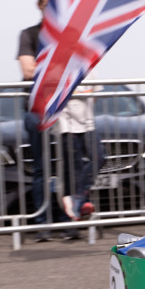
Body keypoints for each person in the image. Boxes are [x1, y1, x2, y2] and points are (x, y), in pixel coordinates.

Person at [18, 0, 56, 242]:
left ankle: (68, 221)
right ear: (39, 6)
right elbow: (29, 70)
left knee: (70, 168)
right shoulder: (29, 34)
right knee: (42, 168)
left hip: (65, 107)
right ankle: (42, 223)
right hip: (37, 108)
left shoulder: (72, 36)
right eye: (47, 4)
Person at [57, 79, 105, 238]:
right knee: (73, 170)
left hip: (88, 124)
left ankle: (78, 198)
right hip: (67, 126)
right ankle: (71, 224)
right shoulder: (61, 68)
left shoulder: (90, 67)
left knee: (98, 157)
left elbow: (96, 94)